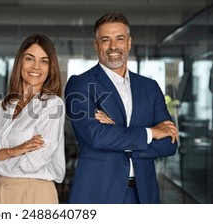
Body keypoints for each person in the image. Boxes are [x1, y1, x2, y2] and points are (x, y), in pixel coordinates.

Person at [64, 12, 179, 204]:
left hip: (143, 196)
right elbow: (96, 136)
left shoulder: (149, 88)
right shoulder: (80, 85)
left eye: (120, 38)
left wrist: (116, 137)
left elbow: (169, 143)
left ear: (129, 42)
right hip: (98, 194)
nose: (113, 46)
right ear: (96, 45)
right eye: (105, 40)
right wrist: (151, 133)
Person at [0, 33, 66, 204]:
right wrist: (14, 150)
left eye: (44, 61)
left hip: (33, 193)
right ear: (20, 62)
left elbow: (31, 164)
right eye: (30, 59)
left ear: (50, 68)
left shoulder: (52, 105)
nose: (36, 66)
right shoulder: (3, 106)